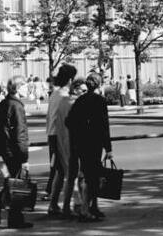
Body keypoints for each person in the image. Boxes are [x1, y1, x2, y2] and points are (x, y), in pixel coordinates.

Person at [66, 73, 113, 222]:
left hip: (81, 143)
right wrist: (108, 148)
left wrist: (79, 133)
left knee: (86, 174)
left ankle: (88, 207)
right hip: (95, 143)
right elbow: (104, 126)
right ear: (99, 85)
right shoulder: (100, 101)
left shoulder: (80, 100)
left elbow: (69, 121)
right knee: (94, 176)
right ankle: (88, 209)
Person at [0, 76, 32, 229]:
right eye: (25, 86)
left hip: (6, 150)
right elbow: (20, 133)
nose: (28, 89)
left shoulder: (2, 104)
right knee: (17, 185)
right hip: (15, 151)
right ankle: (10, 215)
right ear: (18, 88)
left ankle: (11, 214)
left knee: (14, 183)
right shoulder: (17, 107)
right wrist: (24, 157)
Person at [47, 64, 78, 218]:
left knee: (59, 171)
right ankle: (66, 206)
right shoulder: (64, 97)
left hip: (52, 135)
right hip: (61, 135)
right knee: (70, 172)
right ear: (70, 79)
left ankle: (53, 204)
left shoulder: (54, 94)